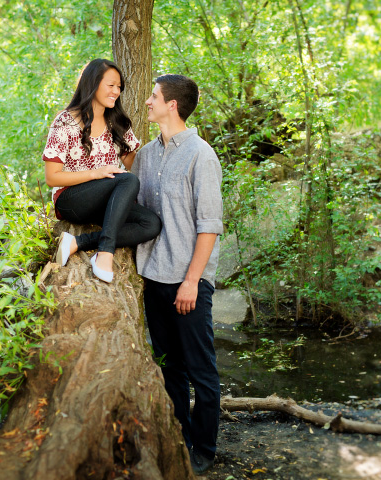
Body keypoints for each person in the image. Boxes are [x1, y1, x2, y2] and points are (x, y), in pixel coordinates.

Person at [132, 74, 223, 474]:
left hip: (189, 282)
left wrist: (192, 280)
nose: (148, 101)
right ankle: (179, 438)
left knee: (200, 370)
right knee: (170, 367)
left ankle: (204, 448)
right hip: (153, 277)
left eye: (154, 96)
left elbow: (209, 225)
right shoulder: (147, 155)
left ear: (172, 105)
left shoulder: (201, 155)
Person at [43, 59, 161, 283]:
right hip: (71, 199)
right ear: (93, 83)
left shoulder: (117, 122)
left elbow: (135, 165)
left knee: (151, 224)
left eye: (119, 87)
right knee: (126, 181)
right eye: (111, 85)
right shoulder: (65, 122)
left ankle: (78, 243)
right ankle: (105, 253)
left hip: (106, 202)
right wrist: (95, 173)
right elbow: (52, 177)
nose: (116, 91)